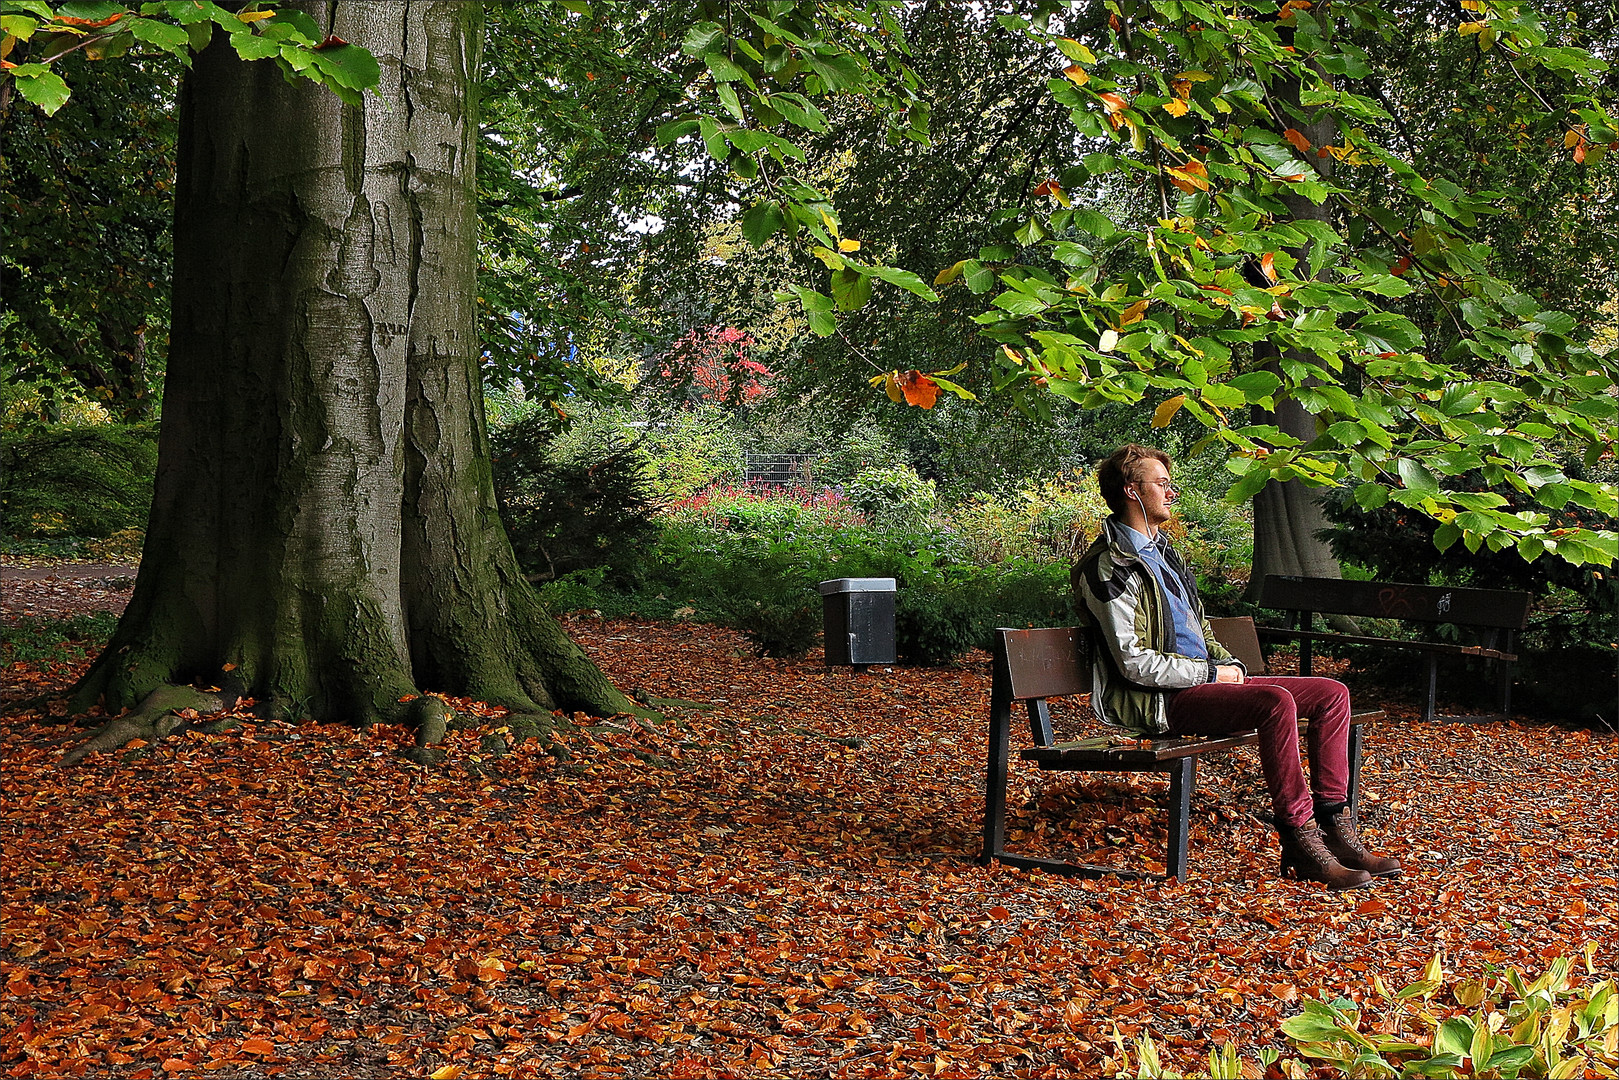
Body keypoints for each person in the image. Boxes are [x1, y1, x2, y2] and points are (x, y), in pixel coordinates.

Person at [1071, 444, 1401, 891]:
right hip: (1158, 699)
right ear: (1132, 490)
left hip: (1201, 681)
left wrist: (1226, 665)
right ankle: (1300, 838)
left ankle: (1335, 826)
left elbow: (1199, 629)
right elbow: (1132, 663)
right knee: (1273, 702)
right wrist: (1210, 675)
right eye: (1162, 483)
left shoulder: (1164, 554)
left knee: (1331, 693)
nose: (1172, 492)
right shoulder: (1107, 568)